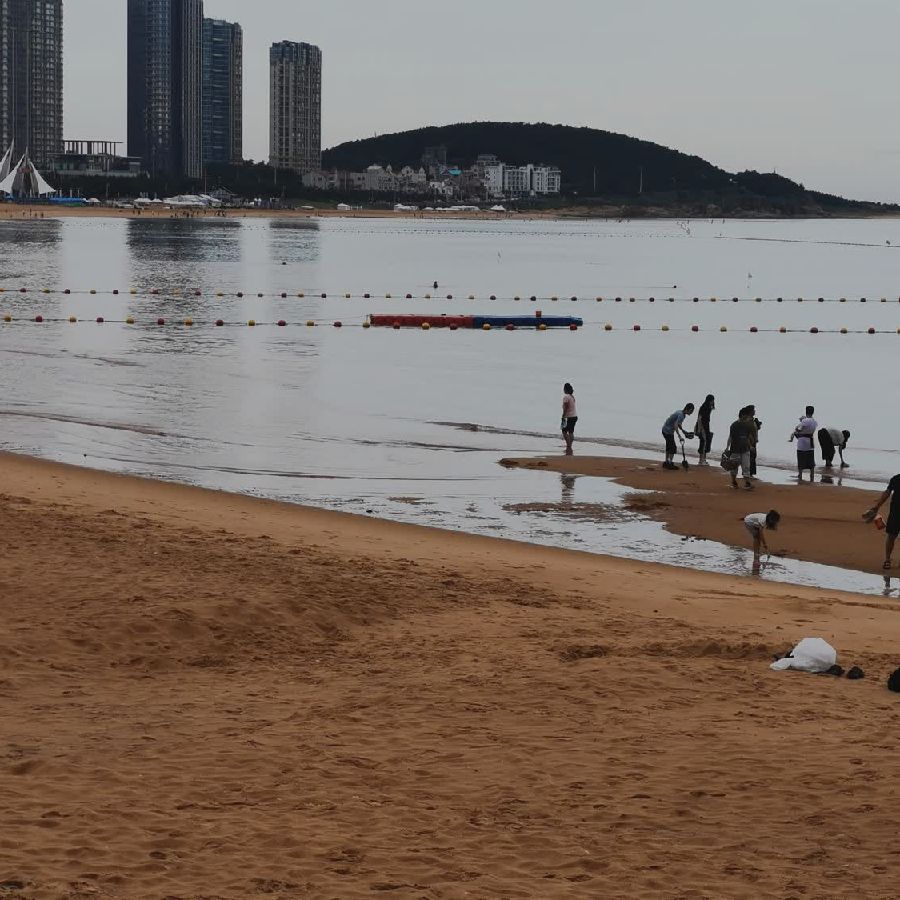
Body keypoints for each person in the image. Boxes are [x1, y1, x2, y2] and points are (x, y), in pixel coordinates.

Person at [863, 474, 900, 570]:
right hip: (896, 512)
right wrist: (877, 506)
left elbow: (887, 493)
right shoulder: (896, 479)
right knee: (891, 535)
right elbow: (887, 493)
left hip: (895, 512)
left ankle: (888, 560)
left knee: (891, 535)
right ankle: (887, 559)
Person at [725, 408, 755, 490]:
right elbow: (730, 437)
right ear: (742, 415)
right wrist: (727, 447)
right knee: (734, 467)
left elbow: (748, 437)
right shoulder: (734, 425)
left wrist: (751, 446)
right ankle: (734, 482)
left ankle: (747, 483)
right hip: (735, 449)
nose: (748, 417)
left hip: (745, 449)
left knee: (746, 466)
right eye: (746, 416)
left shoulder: (747, 425)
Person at [661, 403, 694, 470]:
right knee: (673, 448)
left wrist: (683, 431)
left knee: (669, 446)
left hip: (665, 430)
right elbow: (675, 425)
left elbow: (678, 424)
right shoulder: (681, 415)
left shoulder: (680, 413)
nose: (692, 412)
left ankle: (667, 462)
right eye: (691, 411)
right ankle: (669, 463)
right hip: (668, 431)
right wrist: (679, 436)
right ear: (688, 409)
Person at [790, 405, 818, 481]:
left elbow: (798, 429)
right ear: (813, 412)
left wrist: (801, 421)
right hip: (810, 441)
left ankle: (800, 475)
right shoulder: (814, 422)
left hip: (802, 442)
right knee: (811, 459)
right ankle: (812, 475)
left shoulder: (805, 421)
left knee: (801, 458)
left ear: (806, 412)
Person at [695, 394, 715, 465]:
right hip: (702, 426)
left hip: (706, 426)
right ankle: (701, 460)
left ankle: (703, 459)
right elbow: (699, 418)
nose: (713, 402)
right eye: (712, 400)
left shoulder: (708, 407)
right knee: (703, 442)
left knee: (706, 442)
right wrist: (699, 429)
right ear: (710, 400)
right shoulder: (704, 407)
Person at [561, 383, 577, 454]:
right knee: (571, 431)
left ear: (565, 389)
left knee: (564, 432)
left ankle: (568, 446)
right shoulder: (572, 396)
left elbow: (566, 407)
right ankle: (569, 446)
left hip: (568, 416)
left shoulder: (566, 397)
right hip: (574, 416)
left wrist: (563, 416)